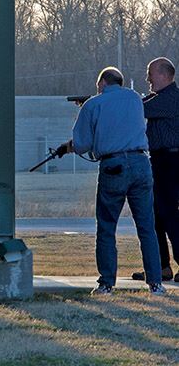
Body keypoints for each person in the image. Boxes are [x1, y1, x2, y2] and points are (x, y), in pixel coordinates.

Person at [59, 67, 166, 295]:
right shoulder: (136, 99)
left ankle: (107, 283)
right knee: (147, 227)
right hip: (141, 164)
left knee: (107, 228)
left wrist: (84, 114)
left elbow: (82, 144)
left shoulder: (93, 105)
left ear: (102, 83)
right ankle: (155, 284)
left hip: (113, 166)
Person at [132, 57, 179, 283]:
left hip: (170, 161)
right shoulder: (159, 97)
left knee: (169, 213)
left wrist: (110, 102)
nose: (148, 79)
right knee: (156, 216)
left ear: (163, 75)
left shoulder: (170, 98)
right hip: (161, 160)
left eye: (150, 73)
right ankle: (161, 267)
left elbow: (139, 108)